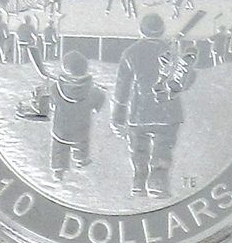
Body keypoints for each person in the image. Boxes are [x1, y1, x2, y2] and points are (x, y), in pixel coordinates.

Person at [110, 13, 195, 198]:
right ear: (162, 30)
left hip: (139, 112)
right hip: (168, 111)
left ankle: (139, 181)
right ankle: (158, 181)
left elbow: (122, 88)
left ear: (141, 31)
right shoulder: (173, 52)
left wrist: (117, 117)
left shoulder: (130, 53)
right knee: (164, 148)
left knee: (139, 149)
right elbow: (186, 82)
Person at [48, 51, 105, 180]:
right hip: (81, 127)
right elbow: (98, 103)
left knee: (59, 145)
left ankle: (58, 170)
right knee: (82, 142)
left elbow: (52, 104)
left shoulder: (55, 87)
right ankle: (81, 159)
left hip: (61, 126)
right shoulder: (93, 89)